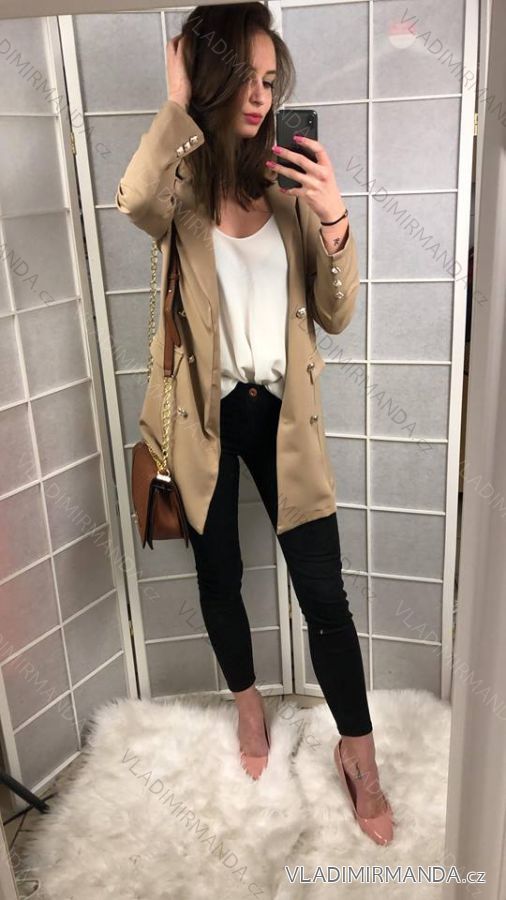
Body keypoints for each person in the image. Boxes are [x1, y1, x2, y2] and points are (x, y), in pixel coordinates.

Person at [116, 2, 394, 845]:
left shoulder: (291, 186)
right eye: (245, 76)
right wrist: (175, 103)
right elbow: (133, 200)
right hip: (205, 415)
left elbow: (335, 314)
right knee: (220, 575)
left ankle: (359, 753)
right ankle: (246, 707)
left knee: (324, 594)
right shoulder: (184, 186)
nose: (261, 95)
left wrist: (334, 215)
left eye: (272, 81)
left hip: (284, 417)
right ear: (213, 76)